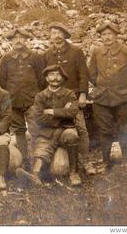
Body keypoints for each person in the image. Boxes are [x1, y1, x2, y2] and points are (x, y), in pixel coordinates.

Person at [16, 65, 82, 186]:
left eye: (58, 75)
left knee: (72, 136)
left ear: (62, 78)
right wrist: (62, 113)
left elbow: (72, 112)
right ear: (46, 78)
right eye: (51, 75)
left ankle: (74, 173)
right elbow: (39, 117)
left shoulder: (69, 94)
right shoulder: (40, 96)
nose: (55, 78)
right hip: (47, 131)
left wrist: (51, 111)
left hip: (65, 130)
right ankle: (35, 176)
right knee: (42, 147)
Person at [88, 22, 127, 168]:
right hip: (101, 98)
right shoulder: (97, 52)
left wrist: (124, 87)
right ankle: (106, 161)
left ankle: (126, 161)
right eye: (104, 35)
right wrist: (103, 86)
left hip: (122, 98)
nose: (107, 37)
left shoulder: (126, 51)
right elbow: (92, 74)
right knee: (104, 130)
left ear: (116, 35)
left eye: (110, 34)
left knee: (124, 128)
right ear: (101, 37)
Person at [42, 22, 90, 161]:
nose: (56, 36)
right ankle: (55, 160)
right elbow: (43, 78)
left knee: (80, 128)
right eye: (53, 33)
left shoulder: (76, 52)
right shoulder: (47, 54)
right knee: (54, 128)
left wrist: (82, 94)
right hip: (54, 98)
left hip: (73, 97)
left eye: (59, 32)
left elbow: (83, 74)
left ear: (64, 35)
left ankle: (84, 160)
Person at [0, 28, 45, 164]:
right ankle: (23, 159)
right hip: (13, 101)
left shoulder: (35, 56)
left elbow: (42, 79)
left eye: (21, 38)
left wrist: (34, 94)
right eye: (15, 38)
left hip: (32, 100)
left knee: (36, 129)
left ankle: (39, 158)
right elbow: (2, 81)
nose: (18, 41)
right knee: (19, 130)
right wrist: (12, 93)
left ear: (26, 40)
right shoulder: (6, 58)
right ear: (11, 41)